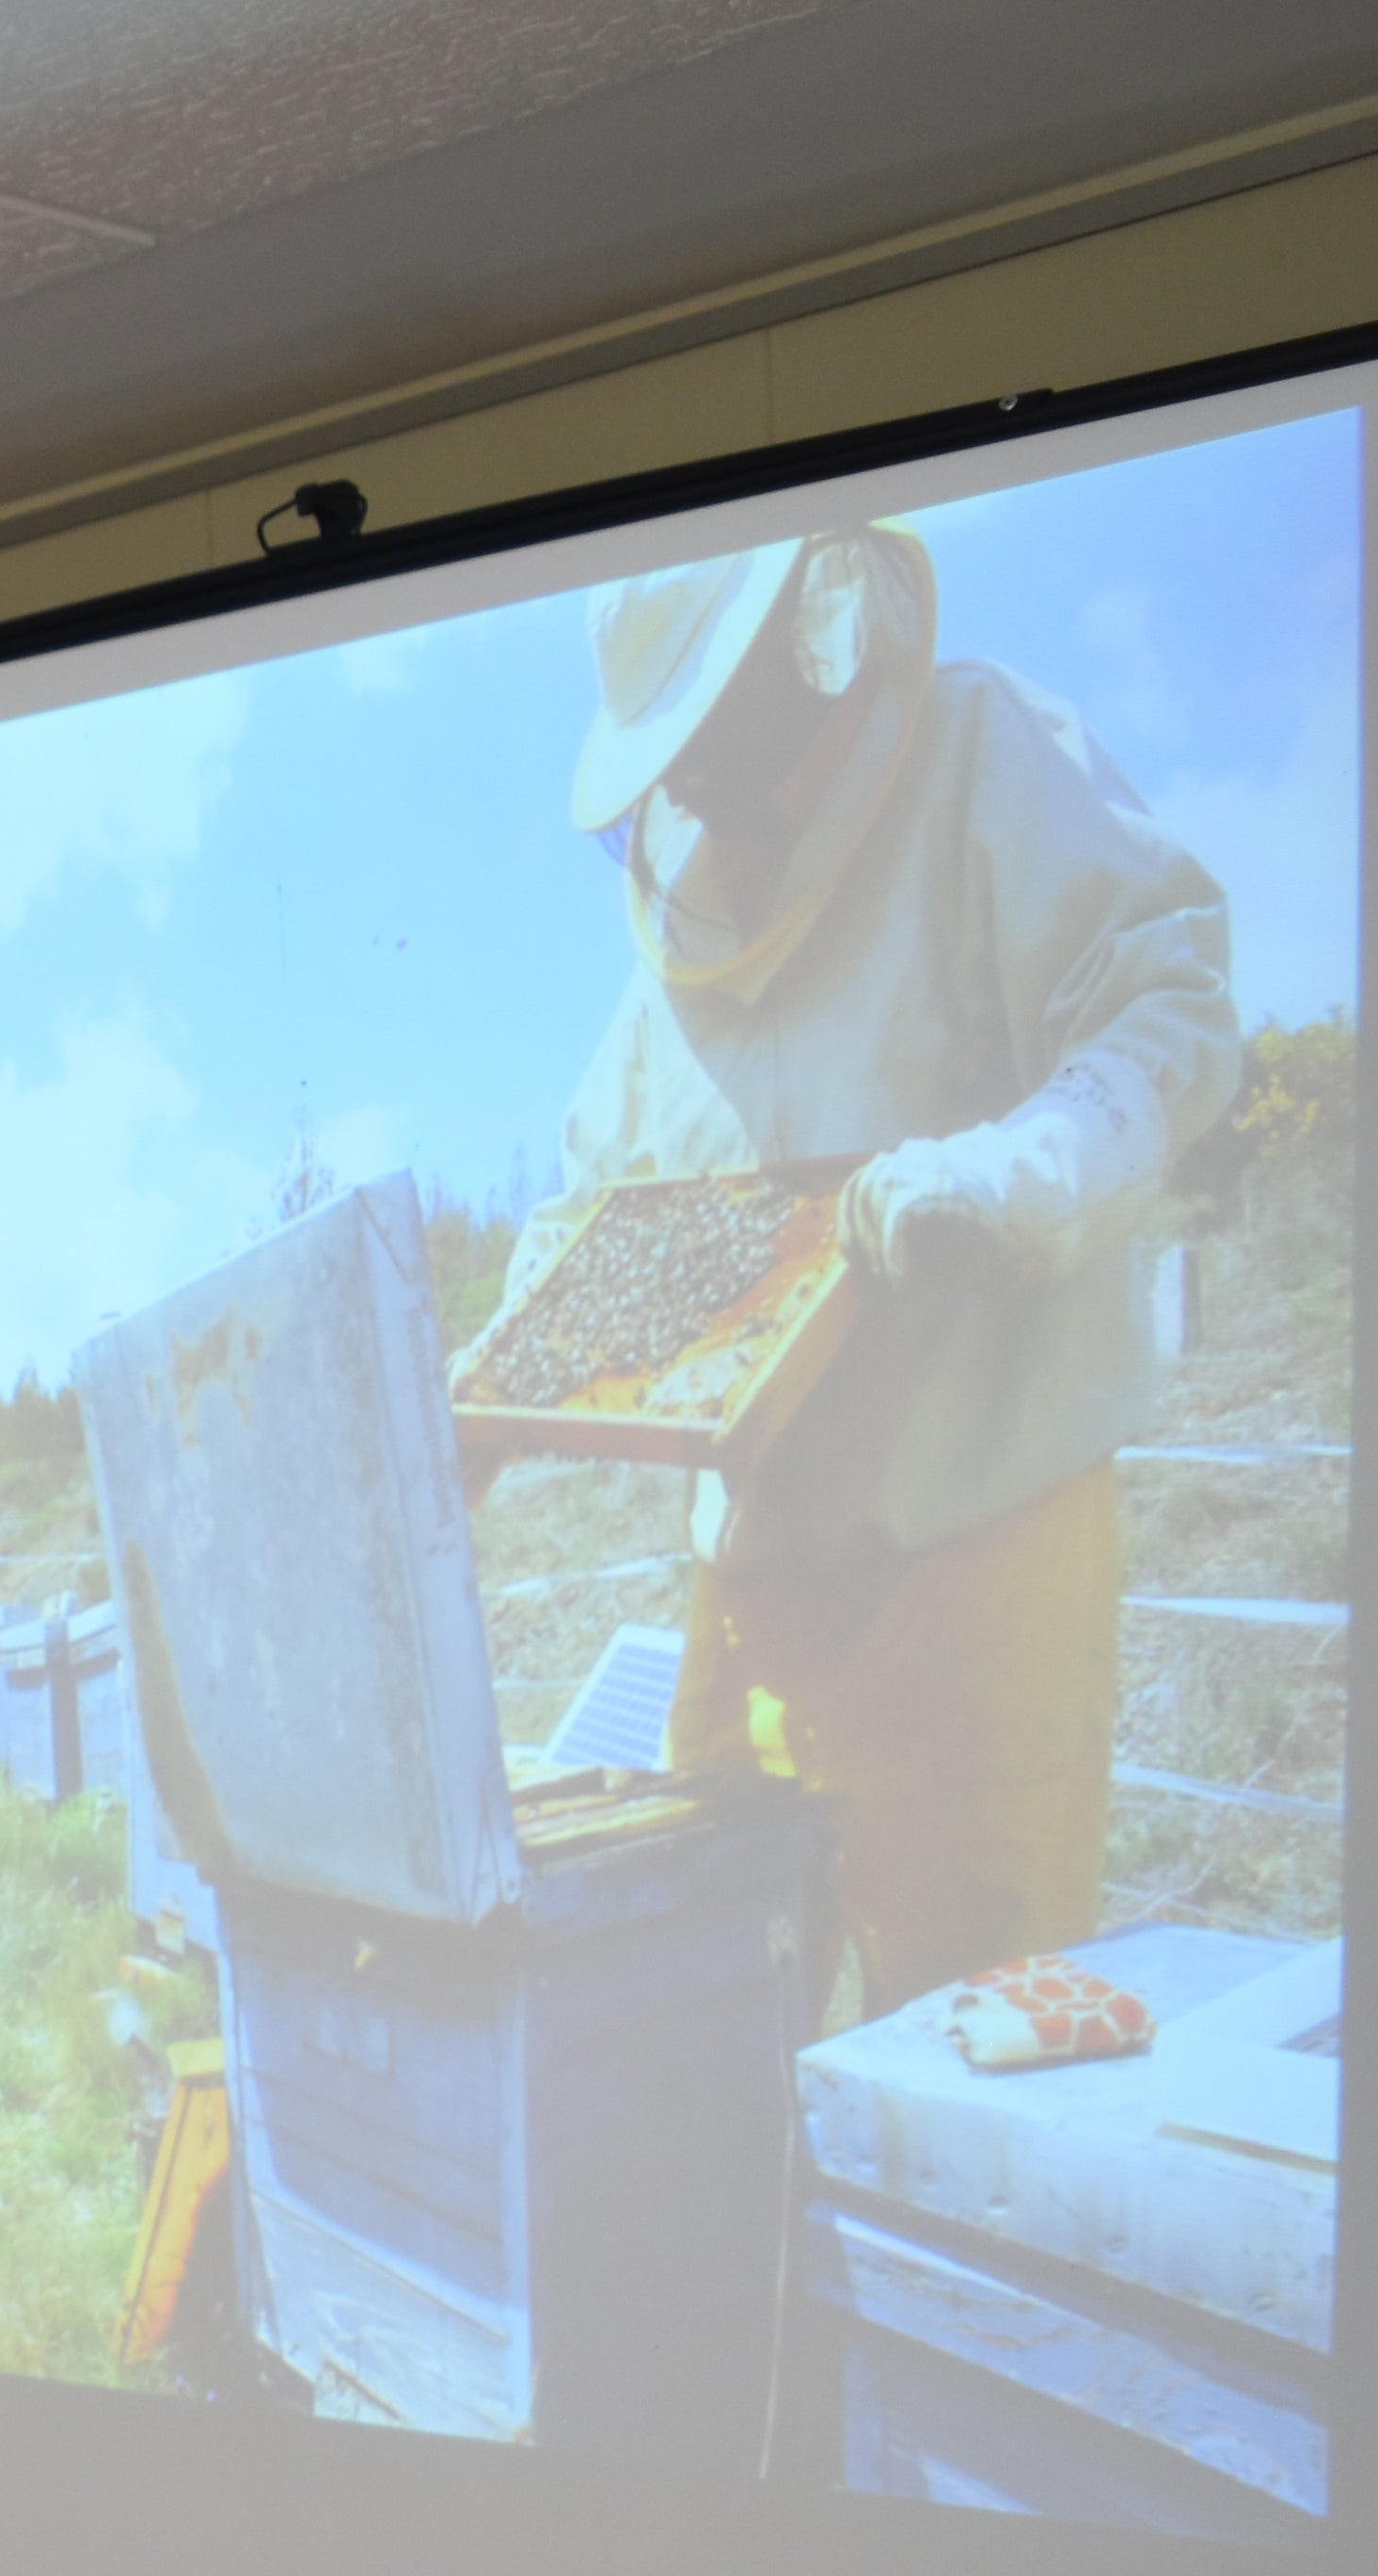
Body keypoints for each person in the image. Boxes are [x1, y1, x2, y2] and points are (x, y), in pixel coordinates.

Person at [523, 520, 1237, 2009]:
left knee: (951, 2076)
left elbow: (1168, 1014)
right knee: (709, 2050)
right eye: (686, 772)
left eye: (727, 744)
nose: (715, 798)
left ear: (816, 647)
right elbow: (574, 1231)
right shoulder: (677, 964)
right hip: (752, 1604)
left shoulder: (988, 752)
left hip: (972, 1571)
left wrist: (1011, 1175)